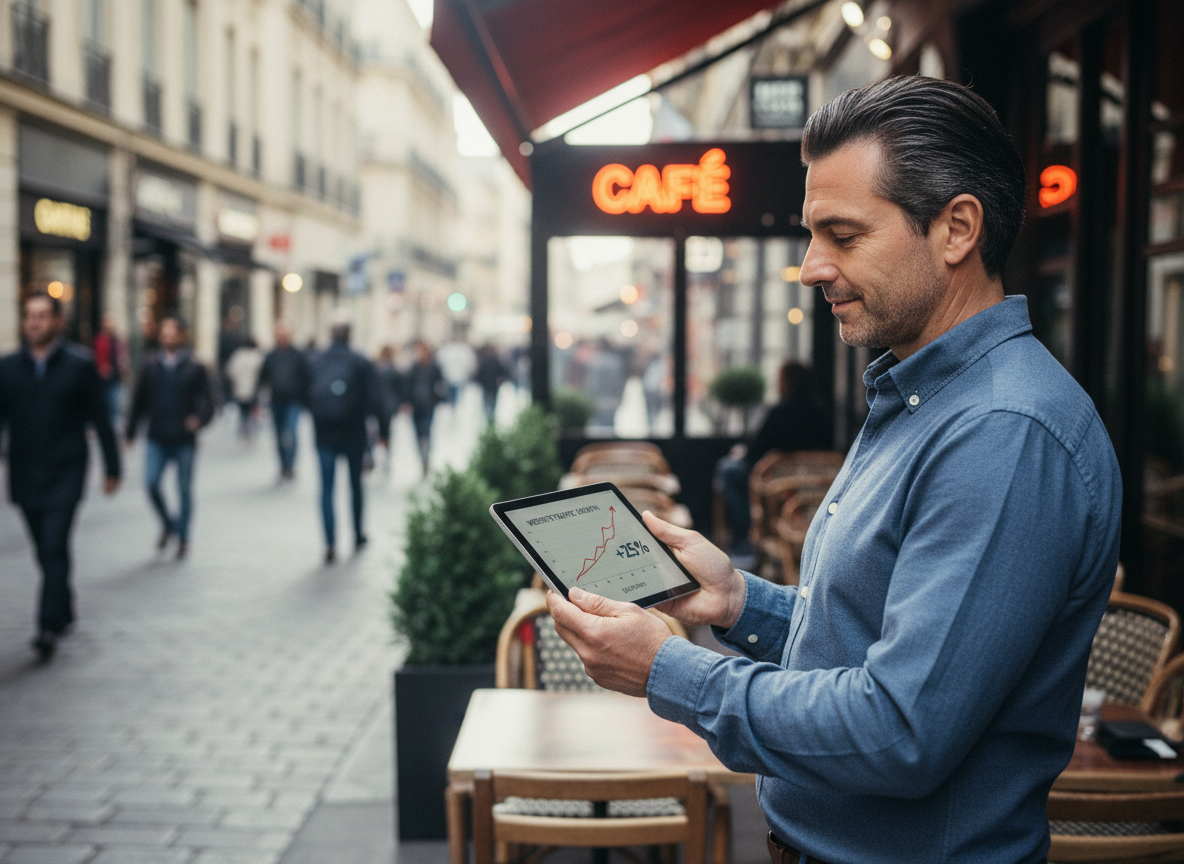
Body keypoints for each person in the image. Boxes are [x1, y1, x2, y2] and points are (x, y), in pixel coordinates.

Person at [546, 76, 1122, 863]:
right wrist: (737, 600)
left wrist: (668, 670)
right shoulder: (927, 394)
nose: (813, 267)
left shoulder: (1003, 432)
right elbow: (871, 645)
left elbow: (896, 732)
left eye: (843, 236)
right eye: (813, 235)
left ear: (956, 229)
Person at [0, 293, 121, 662]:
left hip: (66, 472)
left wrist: (113, 467)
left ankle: (47, 625)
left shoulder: (79, 365)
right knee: (45, 549)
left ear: (57, 322)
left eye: (42, 316)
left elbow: (100, 418)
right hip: (24, 473)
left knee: (53, 545)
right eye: (29, 316)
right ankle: (64, 602)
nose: (34, 322)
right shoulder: (8, 368)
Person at [715, 362, 831, 562]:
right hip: (812, 484)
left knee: (728, 470)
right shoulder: (820, 411)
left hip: (774, 480)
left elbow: (756, 451)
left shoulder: (780, 412)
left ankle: (748, 533)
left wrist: (741, 454)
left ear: (787, 382)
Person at [125, 316, 215, 560]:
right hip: (157, 436)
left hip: (184, 439)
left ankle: (183, 537)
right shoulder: (151, 365)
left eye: (172, 333)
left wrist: (199, 419)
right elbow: (138, 401)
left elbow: (209, 400)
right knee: (151, 483)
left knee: (184, 490)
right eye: (164, 333)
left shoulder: (195, 366)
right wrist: (130, 432)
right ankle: (169, 523)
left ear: (182, 336)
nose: (167, 338)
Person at [308, 322, 383, 563]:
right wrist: (381, 431)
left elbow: (305, 394)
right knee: (355, 486)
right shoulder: (360, 361)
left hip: (324, 434)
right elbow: (374, 399)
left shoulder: (317, 360)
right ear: (350, 335)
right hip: (353, 433)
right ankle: (357, 534)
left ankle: (330, 542)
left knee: (327, 489)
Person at [256, 323, 310, 480]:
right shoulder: (271, 356)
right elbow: (263, 377)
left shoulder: (298, 355)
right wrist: (257, 400)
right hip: (276, 400)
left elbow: (305, 377)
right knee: (279, 434)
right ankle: (283, 465)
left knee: (291, 432)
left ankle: (291, 464)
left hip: (293, 401)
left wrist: (305, 400)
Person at [404, 340, 445, 477]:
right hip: (416, 406)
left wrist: (438, 399)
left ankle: (426, 459)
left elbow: (441, 384)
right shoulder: (414, 367)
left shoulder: (434, 367)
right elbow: (408, 386)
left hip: (429, 405)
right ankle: (422, 457)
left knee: (426, 432)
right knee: (418, 433)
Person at [224, 337, 265, 439]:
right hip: (254, 389)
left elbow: (230, 371)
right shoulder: (258, 356)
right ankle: (251, 429)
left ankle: (244, 428)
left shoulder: (238, 355)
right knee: (253, 410)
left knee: (243, 411)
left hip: (240, 389)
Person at [374, 345, 404, 474]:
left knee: (377, 431)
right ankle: (386, 456)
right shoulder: (394, 370)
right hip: (390, 406)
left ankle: (379, 455)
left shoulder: (376, 369)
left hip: (377, 405)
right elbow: (400, 389)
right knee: (387, 432)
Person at [92, 313, 126, 429]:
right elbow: (96, 358)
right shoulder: (100, 340)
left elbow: (122, 357)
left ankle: (115, 428)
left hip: (116, 377)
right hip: (103, 379)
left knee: (115, 405)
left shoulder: (117, 340)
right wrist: (101, 369)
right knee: (105, 404)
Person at [436, 333, 476, 409]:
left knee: (454, 395)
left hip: (454, 377)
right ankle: (453, 408)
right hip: (453, 377)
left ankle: (453, 408)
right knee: (454, 395)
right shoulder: (462, 349)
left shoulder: (448, 349)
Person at [474, 344, 506, 421]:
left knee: (487, 401)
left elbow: (478, 375)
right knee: (492, 401)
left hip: (487, 386)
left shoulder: (484, 362)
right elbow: (503, 372)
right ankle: (491, 415)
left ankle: (488, 415)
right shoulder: (496, 361)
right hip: (493, 385)